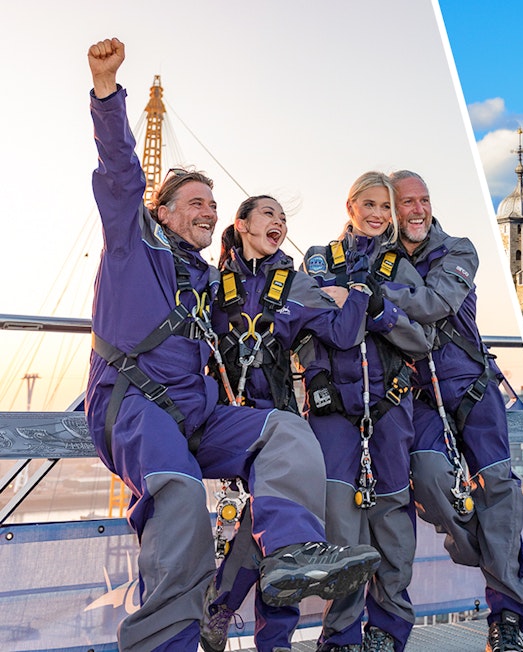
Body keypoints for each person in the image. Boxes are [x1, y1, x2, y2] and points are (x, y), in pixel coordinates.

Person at [84, 38, 378, 651]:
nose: (207, 211)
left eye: (213, 206)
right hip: (135, 406)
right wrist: (107, 92)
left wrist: (344, 295)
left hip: (197, 414)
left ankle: (293, 553)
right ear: (161, 212)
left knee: (285, 433)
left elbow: (311, 320)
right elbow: (120, 174)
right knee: (180, 501)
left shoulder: (208, 280)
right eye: (196, 202)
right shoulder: (133, 245)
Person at [200, 195, 375, 652]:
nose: (279, 221)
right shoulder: (211, 282)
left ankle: (240, 620)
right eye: (268, 214)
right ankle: (231, 614)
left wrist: (357, 291)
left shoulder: (296, 284)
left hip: (276, 419)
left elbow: (343, 334)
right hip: (225, 418)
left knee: (274, 526)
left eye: (283, 217)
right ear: (241, 224)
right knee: (277, 526)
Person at [381, 170, 523, 652]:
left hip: (471, 386)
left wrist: (374, 295)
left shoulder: (459, 250)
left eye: (424, 200)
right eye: (407, 202)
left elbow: (436, 303)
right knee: (429, 482)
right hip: (420, 396)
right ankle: (503, 558)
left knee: (498, 491)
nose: (418, 210)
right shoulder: (377, 257)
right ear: (390, 210)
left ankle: (506, 618)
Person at [301, 171, 431, 652]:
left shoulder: (401, 268)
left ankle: (388, 628)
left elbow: (422, 339)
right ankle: (341, 632)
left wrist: (378, 311)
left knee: (392, 517)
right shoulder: (318, 260)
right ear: (350, 205)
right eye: (370, 204)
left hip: (389, 404)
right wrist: (315, 376)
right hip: (333, 407)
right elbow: (301, 326)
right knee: (340, 518)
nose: (378, 215)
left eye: (385, 207)